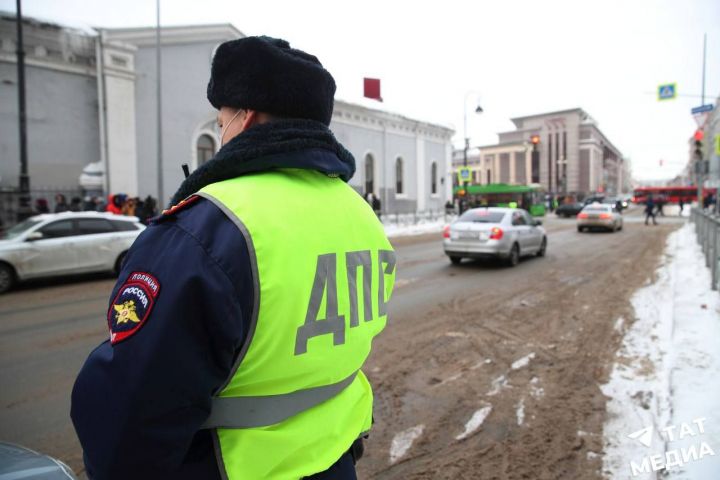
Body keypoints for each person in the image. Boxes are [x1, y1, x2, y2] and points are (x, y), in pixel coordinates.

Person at [71, 36, 395, 480]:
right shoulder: (359, 213)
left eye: (221, 118)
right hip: (334, 459)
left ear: (246, 119)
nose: (220, 129)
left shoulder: (207, 227)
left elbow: (133, 412)